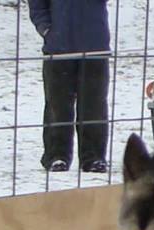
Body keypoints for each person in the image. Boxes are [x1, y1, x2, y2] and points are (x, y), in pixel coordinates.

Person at [28, 0, 111, 173]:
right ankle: (56, 156)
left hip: (95, 46)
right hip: (57, 48)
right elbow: (37, 6)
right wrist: (47, 30)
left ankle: (94, 158)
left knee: (94, 105)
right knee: (57, 105)